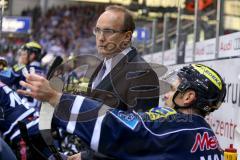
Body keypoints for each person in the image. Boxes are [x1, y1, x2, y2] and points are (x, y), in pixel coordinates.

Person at [18, 64, 226, 160]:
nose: (165, 95)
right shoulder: (207, 136)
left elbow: (118, 127)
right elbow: (143, 152)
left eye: (172, 90)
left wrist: (55, 97)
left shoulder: (174, 126)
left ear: (188, 97)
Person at [86, 5, 159, 111]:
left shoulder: (142, 74)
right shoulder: (103, 64)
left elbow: (139, 125)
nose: (101, 38)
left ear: (127, 36)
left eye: (108, 31)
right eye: (97, 30)